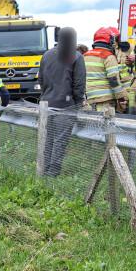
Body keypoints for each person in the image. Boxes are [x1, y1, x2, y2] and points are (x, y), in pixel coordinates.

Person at [37, 27, 86, 177]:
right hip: (65, 106)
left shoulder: (46, 55)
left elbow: (41, 79)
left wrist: (46, 94)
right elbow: (79, 84)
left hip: (46, 104)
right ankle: (53, 173)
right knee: (60, 141)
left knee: (47, 139)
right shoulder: (76, 56)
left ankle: (43, 171)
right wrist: (77, 104)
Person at [83, 27, 124, 116]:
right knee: (105, 126)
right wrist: (121, 97)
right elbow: (113, 80)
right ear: (110, 40)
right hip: (105, 99)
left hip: (89, 99)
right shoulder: (108, 57)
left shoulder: (85, 55)